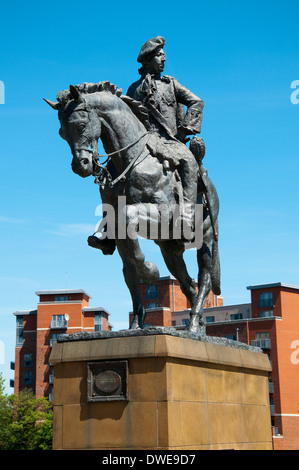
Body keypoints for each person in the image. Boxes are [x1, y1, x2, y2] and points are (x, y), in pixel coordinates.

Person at [126, 36, 205, 228]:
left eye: (164, 55)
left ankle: (186, 213)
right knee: (114, 169)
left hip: (168, 141)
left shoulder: (171, 84)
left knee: (188, 162)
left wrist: (185, 129)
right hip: (142, 142)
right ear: (147, 59)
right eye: (159, 55)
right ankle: (109, 230)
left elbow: (197, 102)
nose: (164, 59)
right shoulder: (134, 89)